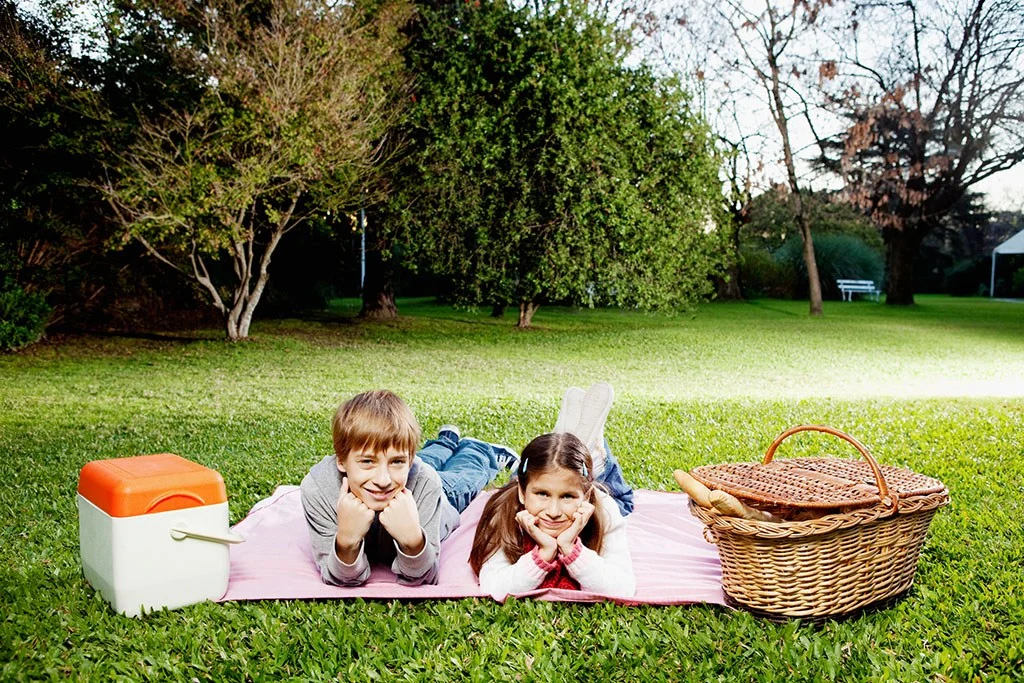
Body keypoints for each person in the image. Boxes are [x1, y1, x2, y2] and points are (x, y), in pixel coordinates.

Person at [300, 390, 518, 587]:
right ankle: (444, 443)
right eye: (367, 462)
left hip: (443, 493)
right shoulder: (318, 489)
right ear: (341, 461)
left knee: (464, 479)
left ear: (410, 460)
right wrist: (346, 541)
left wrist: (413, 540)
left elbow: (425, 575)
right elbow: (337, 576)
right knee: (410, 460)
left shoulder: (425, 482)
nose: (383, 480)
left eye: (397, 461)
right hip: (408, 474)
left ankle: (477, 449)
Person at [468, 431, 636, 599]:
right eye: (542, 494)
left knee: (623, 501)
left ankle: (598, 450)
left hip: (601, 492)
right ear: (521, 492)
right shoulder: (503, 512)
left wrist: (570, 549)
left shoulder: (606, 509)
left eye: (567, 496)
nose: (553, 512)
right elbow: (493, 588)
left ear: (586, 497)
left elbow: (623, 589)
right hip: (527, 488)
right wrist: (543, 554)